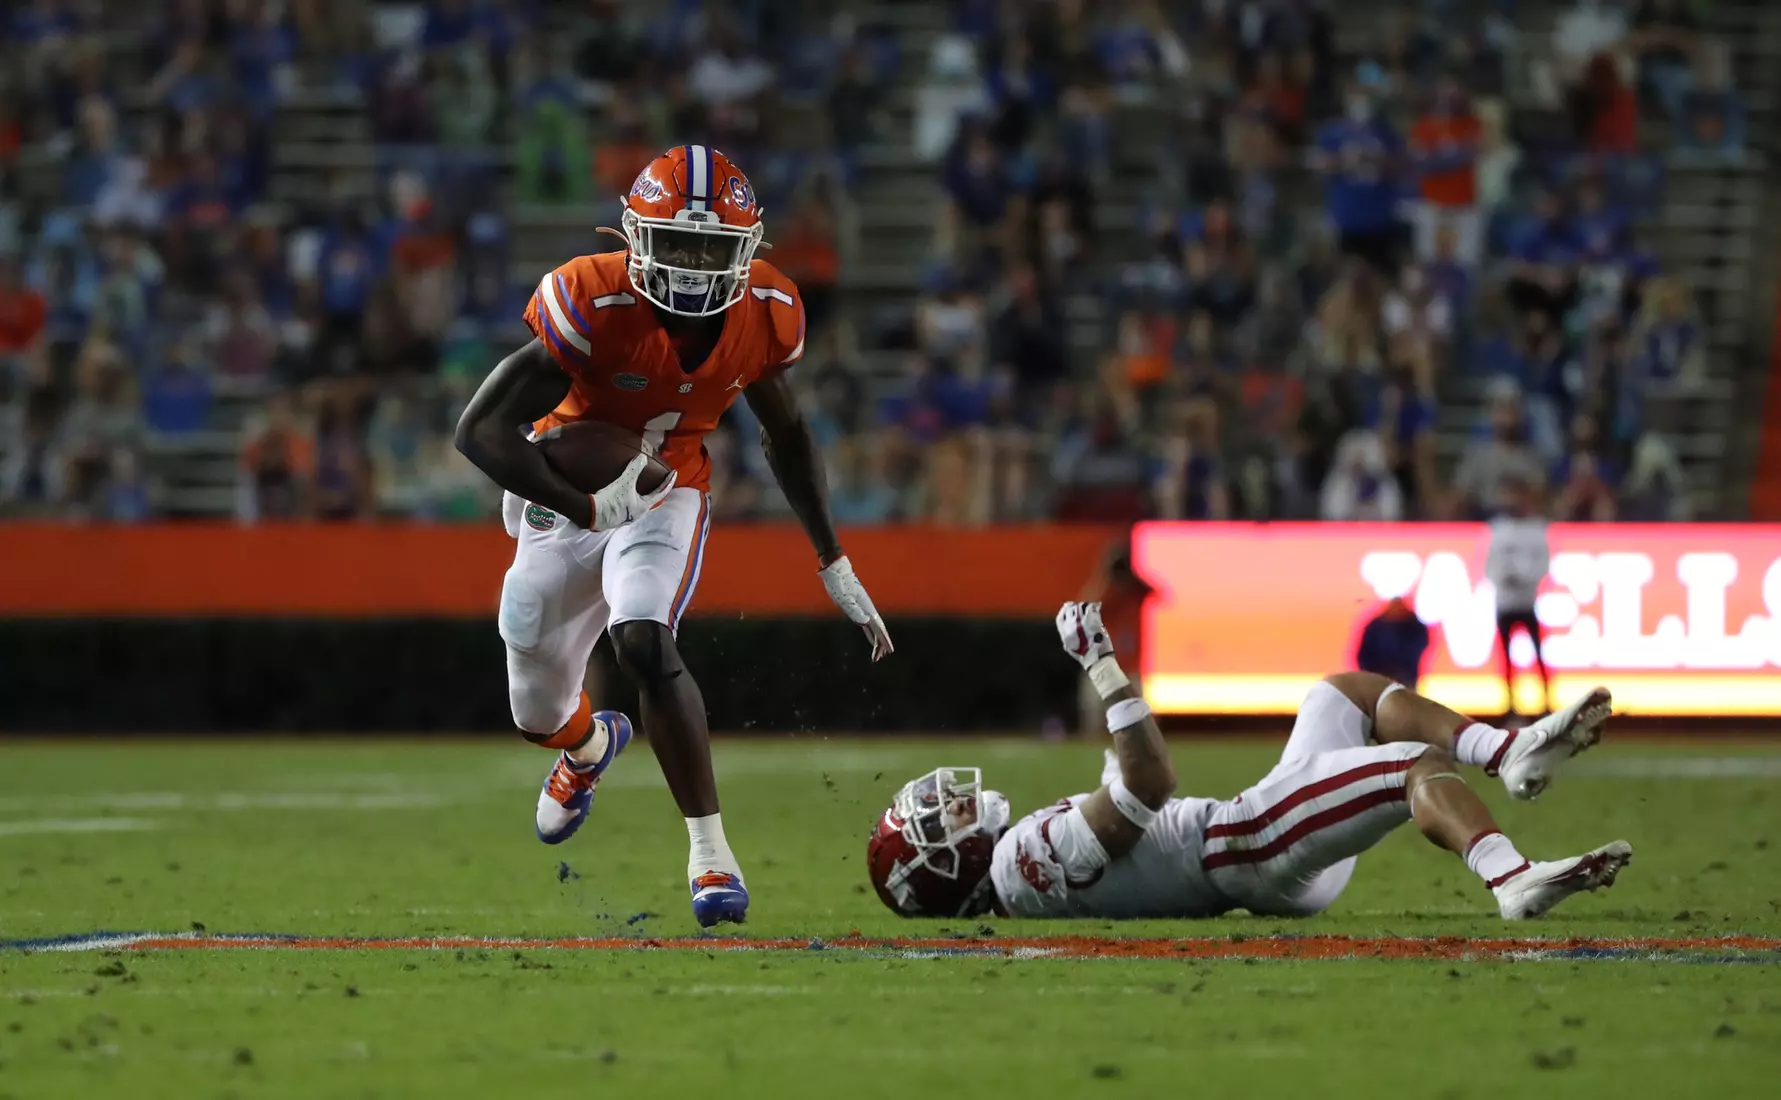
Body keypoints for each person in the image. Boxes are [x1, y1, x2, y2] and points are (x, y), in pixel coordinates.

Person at [455, 146, 894, 928]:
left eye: (710, 250)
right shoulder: (591, 299)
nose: (692, 268)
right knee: (528, 671)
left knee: (644, 641)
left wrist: (833, 557)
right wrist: (583, 506)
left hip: (667, 491)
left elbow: (785, 435)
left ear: (747, 250)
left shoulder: (765, 311)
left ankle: (710, 855)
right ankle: (587, 748)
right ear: (634, 238)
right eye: (678, 246)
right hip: (571, 491)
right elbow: (479, 431)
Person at [867, 603, 1629, 921]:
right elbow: (1148, 783)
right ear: (942, 863)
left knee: (1340, 697)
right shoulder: (1020, 862)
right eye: (938, 819)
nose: (953, 802)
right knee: (1411, 766)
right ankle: (1509, 877)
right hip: (1250, 842)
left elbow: (1129, 797)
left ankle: (1508, 749)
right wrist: (1102, 668)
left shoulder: (1019, 867)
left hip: (1249, 846)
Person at [1486, 476, 1553, 717]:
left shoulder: (1536, 530)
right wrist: (1506, 577)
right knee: (1506, 659)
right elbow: (1489, 565)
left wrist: (1523, 578)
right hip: (1505, 602)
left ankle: (1545, 703)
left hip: (1526, 601)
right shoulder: (1498, 529)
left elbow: (1544, 564)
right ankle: (1510, 705)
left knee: (1538, 656)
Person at [1355, 596, 1430, 688]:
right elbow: (1364, 653)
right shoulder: (1376, 626)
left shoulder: (1415, 626)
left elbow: (1419, 647)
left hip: (1405, 677)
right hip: (1378, 678)